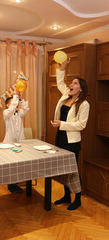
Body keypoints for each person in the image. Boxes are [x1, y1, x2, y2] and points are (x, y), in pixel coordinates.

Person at [51, 58, 90, 210]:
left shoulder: (84, 104)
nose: (70, 85)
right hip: (60, 137)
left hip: (72, 141)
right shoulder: (66, 95)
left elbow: (81, 125)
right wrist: (63, 66)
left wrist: (62, 124)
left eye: (74, 83)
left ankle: (78, 198)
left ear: (81, 88)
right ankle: (66, 196)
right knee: (63, 169)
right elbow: (60, 81)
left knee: (72, 170)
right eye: (71, 83)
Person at [3, 92, 29, 193]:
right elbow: (11, 110)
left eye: (17, 102)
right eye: (14, 102)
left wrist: (21, 100)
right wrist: (15, 97)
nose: (16, 103)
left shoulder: (19, 112)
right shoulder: (6, 113)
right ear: (7, 105)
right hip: (9, 143)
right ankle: (11, 185)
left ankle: (16, 184)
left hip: (20, 142)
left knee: (19, 164)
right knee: (11, 165)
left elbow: (26, 109)